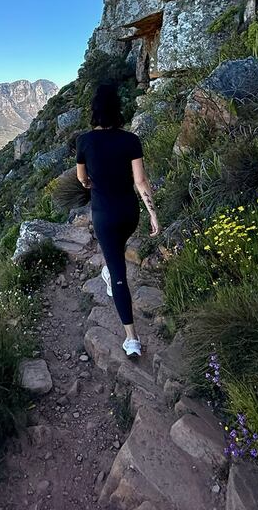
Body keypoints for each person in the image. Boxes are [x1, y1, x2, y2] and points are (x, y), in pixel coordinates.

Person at [75, 83, 160, 357]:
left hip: (105, 215)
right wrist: (153, 213)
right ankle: (111, 270)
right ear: (117, 111)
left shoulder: (84, 142)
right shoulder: (131, 140)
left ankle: (132, 339)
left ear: (94, 111)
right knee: (117, 253)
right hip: (129, 214)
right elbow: (141, 181)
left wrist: (91, 182)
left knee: (119, 276)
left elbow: (81, 178)